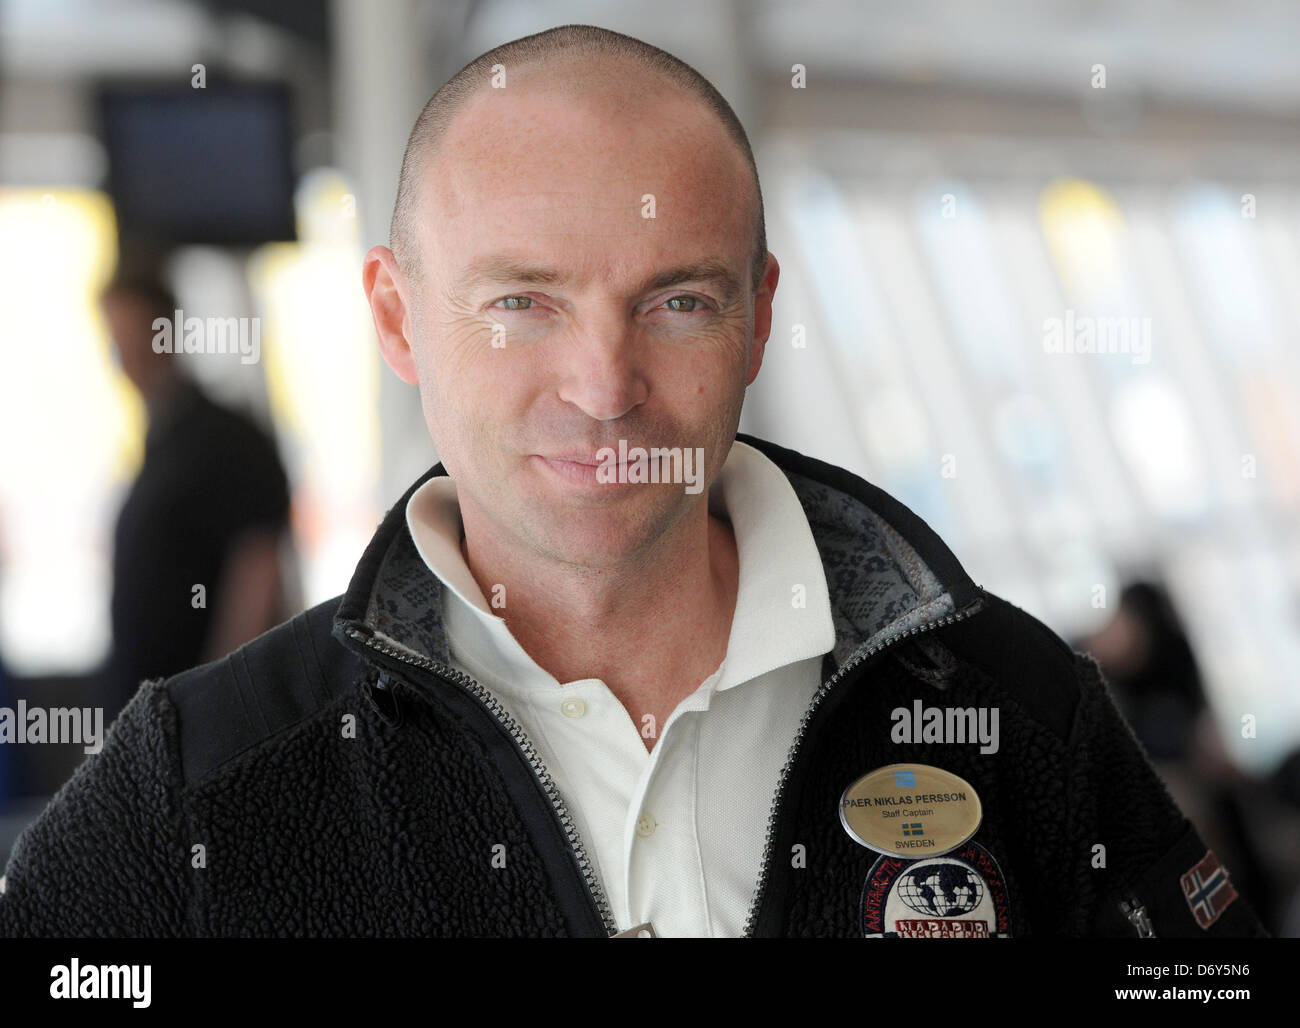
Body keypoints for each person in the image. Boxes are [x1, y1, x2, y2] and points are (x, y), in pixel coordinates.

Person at [0, 25, 1267, 938]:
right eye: (521, 301)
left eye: (675, 300)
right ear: (396, 316)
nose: (602, 386)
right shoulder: (199, 784)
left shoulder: (1018, 711)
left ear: (758, 318)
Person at [96, 272, 292, 721]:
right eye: (116, 341)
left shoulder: (226, 441)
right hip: (148, 720)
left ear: (167, 331)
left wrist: (218, 710)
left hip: (198, 720)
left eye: (136, 336)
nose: (127, 357)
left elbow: (258, 576)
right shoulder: (156, 445)